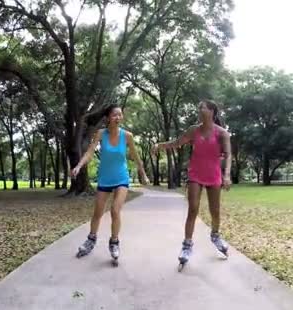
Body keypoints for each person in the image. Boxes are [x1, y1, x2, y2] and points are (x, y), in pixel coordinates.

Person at [153, 100, 232, 267]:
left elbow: (228, 155)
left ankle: (215, 235)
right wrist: (160, 145)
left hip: (214, 175)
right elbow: (177, 142)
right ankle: (187, 245)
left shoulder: (222, 133)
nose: (199, 109)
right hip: (195, 174)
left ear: (211, 111)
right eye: (199, 107)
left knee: (215, 211)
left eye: (202, 107)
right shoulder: (193, 130)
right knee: (193, 209)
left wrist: (226, 175)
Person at [71, 104, 149, 264]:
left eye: (120, 115)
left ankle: (114, 242)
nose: (118, 118)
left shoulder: (127, 136)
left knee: (115, 210)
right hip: (105, 178)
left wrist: (143, 172)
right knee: (98, 213)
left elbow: (135, 155)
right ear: (108, 118)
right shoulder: (100, 134)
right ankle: (91, 240)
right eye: (115, 115)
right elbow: (90, 152)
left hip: (121, 178)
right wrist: (79, 166)